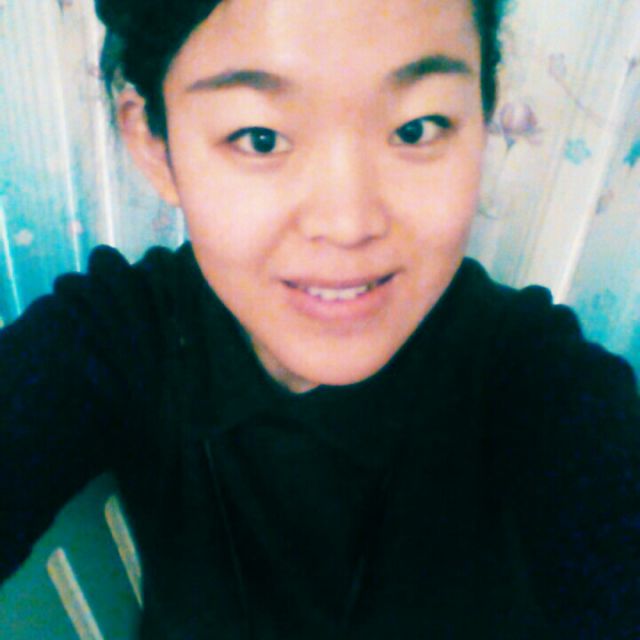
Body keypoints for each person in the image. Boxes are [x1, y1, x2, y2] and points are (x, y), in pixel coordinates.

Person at [1, 0, 639, 638]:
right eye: (260, 138)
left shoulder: (540, 387)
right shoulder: (122, 338)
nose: (347, 223)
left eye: (416, 129)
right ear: (154, 144)